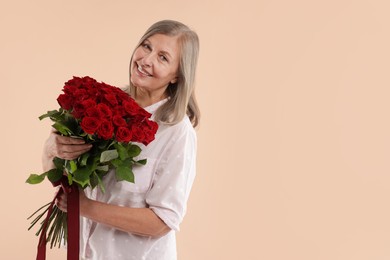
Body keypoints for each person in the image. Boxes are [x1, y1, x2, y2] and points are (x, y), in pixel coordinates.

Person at [42, 20, 200, 260]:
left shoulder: (177, 132)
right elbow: (63, 182)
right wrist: (51, 149)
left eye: (163, 58)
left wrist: (85, 207)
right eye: (146, 46)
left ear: (177, 76)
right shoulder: (105, 105)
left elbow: (162, 221)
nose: (146, 60)